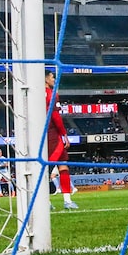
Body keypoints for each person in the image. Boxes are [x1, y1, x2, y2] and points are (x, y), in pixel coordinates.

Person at [45, 72, 78, 210]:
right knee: (61, 166)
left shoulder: (34, 94)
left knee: (45, 168)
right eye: (52, 77)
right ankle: (66, 201)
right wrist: (64, 135)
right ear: (45, 78)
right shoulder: (51, 94)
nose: (54, 79)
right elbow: (55, 116)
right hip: (52, 133)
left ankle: (48, 202)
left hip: (38, 133)